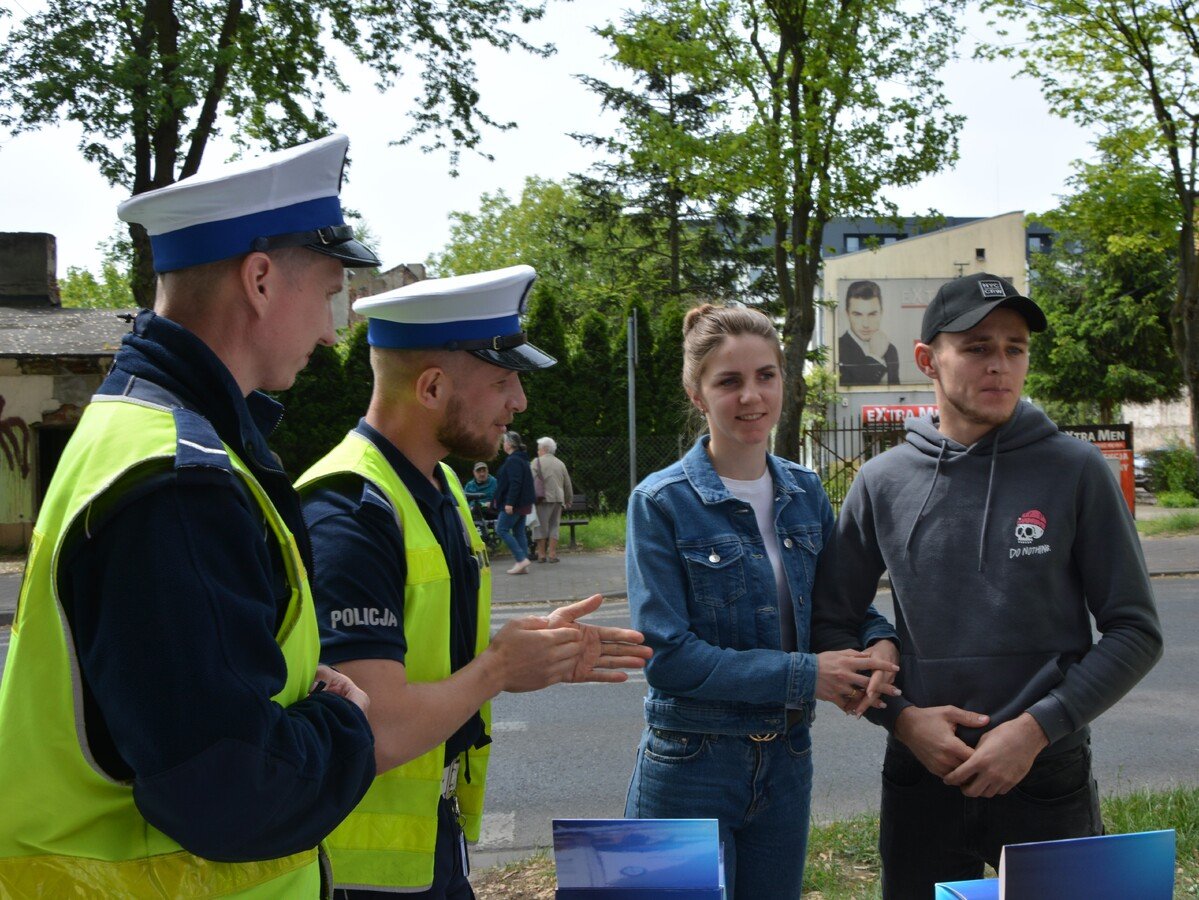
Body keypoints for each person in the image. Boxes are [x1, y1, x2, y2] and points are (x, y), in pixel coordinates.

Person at [0, 135, 379, 896]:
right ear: (262, 280)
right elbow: (228, 790)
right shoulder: (178, 483)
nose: (334, 331)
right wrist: (348, 727)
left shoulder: (133, 429)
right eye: (331, 291)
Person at [295, 264, 653, 899]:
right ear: (431, 387)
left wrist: (535, 652)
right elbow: (374, 729)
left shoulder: (440, 485)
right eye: (502, 381)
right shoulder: (349, 511)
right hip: (363, 874)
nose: (519, 401)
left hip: (433, 840)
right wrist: (497, 670)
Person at [812, 272, 1164, 898]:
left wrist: (1035, 729)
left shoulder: (1077, 471)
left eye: (1015, 347)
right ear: (928, 360)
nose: (999, 364)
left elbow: (1136, 632)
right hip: (922, 771)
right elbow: (832, 620)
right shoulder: (882, 480)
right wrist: (902, 720)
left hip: (1043, 770)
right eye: (976, 347)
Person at [623, 303, 901, 900]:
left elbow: (838, 607)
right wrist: (809, 674)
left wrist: (880, 641)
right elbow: (668, 657)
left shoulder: (805, 492)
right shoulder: (661, 501)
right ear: (698, 394)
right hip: (690, 763)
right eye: (729, 381)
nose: (752, 396)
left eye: (766, 376)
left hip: (787, 759)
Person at [838, 279, 900, 386]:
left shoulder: (891, 350)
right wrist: (875, 357)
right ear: (847, 314)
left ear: (881, 313)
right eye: (857, 314)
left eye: (872, 314)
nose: (865, 324)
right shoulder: (839, 348)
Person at [493, 430, 536, 574]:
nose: (503, 444)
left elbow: (515, 482)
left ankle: (521, 559)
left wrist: (509, 502)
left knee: (501, 529)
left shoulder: (513, 460)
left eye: (504, 441)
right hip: (524, 503)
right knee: (519, 532)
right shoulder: (523, 459)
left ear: (509, 444)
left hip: (514, 503)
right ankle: (523, 565)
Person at [531, 435, 573, 563]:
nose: (537, 451)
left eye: (538, 448)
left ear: (544, 449)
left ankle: (542, 554)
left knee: (540, 526)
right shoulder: (560, 463)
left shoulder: (536, 462)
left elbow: (530, 480)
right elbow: (567, 483)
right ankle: (553, 554)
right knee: (554, 526)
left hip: (542, 499)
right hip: (558, 499)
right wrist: (568, 499)